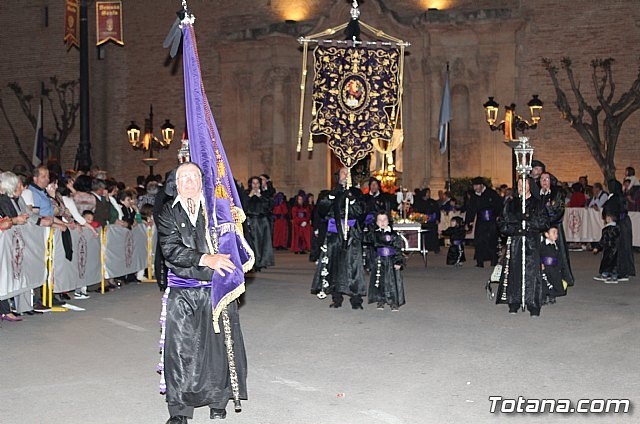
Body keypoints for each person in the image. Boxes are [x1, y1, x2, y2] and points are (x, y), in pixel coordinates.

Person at [157, 162, 249, 423]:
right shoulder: (168, 213)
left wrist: (233, 222)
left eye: (193, 176)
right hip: (183, 291)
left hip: (216, 290)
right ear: (175, 184)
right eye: (182, 177)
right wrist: (205, 258)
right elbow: (171, 250)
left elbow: (234, 245)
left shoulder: (218, 211)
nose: (188, 181)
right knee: (179, 351)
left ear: (201, 180)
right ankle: (179, 411)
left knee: (218, 349)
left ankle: (218, 401)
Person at [310, 167, 366, 309]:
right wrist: (332, 196)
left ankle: (356, 299)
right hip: (334, 234)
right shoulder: (330, 193)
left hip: (351, 233)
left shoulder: (357, 193)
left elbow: (361, 212)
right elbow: (321, 210)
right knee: (334, 264)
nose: (345, 175)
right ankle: (336, 297)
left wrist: (352, 200)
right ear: (338, 176)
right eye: (343, 173)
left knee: (353, 265)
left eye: (348, 174)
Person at [496, 177, 550, 316]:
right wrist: (517, 228)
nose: (521, 186)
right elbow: (503, 223)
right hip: (516, 241)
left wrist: (530, 224)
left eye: (524, 183)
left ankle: (533, 303)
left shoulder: (538, 204)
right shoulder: (511, 203)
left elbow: (544, 222)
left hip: (531, 241)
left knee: (532, 271)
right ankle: (514, 301)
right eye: (519, 184)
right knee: (515, 270)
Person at [538, 172, 574, 287]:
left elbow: (559, 211)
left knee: (559, 253)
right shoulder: (537, 194)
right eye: (542, 179)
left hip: (554, 227)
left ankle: (563, 278)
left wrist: (549, 218)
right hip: (540, 228)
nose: (544, 181)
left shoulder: (557, 194)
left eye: (547, 179)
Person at [365, 211, 405, 311]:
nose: (382, 222)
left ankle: (394, 301)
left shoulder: (394, 234)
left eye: (384, 219)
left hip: (391, 260)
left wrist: (398, 261)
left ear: (388, 221)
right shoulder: (374, 234)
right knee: (379, 280)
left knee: (392, 281)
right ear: (376, 222)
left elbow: (398, 248)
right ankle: (380, 300)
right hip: (379, 260)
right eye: (380, 220)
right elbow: (369, 246)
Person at [601, 179, 635, 281]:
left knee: (617, 248)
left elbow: (608, 211)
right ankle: (622, 271)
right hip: (624, 223)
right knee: (623, 247)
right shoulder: (620, 197)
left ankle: (618, 271)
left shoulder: (614, 199)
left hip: (618, 224)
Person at [464, 177, 502, 268]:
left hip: (491, 220)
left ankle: (494, 260)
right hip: (481, 221)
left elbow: (499, 205)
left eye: (476, 186)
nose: (475, 188)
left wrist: (498, 216)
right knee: (479, 241)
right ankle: (479, 262)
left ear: (482, 185)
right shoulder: (474, 196)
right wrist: (469, 222)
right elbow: (471, 210)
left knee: (492, 240)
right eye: (474, 186)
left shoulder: (491, 193)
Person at [245, 176, 274, 271]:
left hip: (262, 221)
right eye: (253, 183)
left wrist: (260, 197)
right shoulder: (246, 193)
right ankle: (254, 262)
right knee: (253, 242)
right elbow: (242, 206)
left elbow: (269, 207)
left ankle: (262, 261)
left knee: (263, 242)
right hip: (251, 220)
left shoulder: (264, 194)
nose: (255, 185)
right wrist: (249, 196)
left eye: (257, 183)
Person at [540, 226, 568, 304]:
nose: (556, 235)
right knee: (544, 282)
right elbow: (538, 255)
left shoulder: (556, 246)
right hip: (545, 267)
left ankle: (552, 296)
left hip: (554, 267)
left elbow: (559, 257)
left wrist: (560, 266)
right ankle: (543, 297)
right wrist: (540, 263)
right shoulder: (542, 245)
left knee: (554, 281)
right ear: (547, 234)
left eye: (557, 233)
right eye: (553, 233)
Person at [592, 211, 620, 284]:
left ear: (609, 218)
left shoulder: (607, 229)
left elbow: (603, 240)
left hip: (609, 248)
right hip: (616, 248)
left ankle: (605, 274)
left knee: (607, 261)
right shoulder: (618, 228)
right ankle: (614, 275)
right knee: (615, 262)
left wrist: (597, 247)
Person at [414, 187, 440, 253]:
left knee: (433, 234)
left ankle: (435, 248)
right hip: (423, 221)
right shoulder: (419, 202)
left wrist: (437, 219)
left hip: (432, 221)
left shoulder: (432, 202)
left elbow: (437, 211)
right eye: (428, 193)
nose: (429, 194)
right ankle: (423, 247)